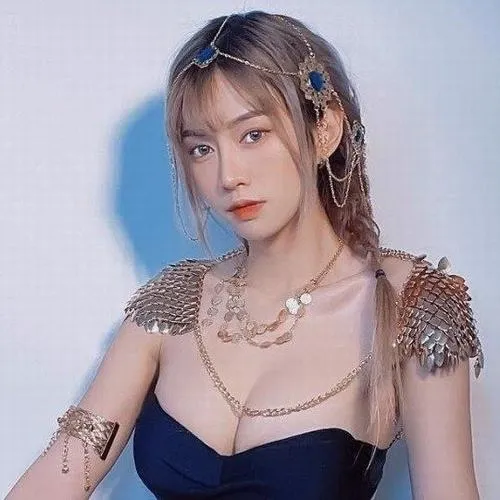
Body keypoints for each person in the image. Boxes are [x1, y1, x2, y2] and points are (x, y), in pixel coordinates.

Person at [7, 11, 484, 500]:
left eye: (253, 135)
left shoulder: (412, 304)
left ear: (325, 129)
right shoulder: (173, 305)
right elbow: (61, 474)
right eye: (201, 149)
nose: (228, 175)